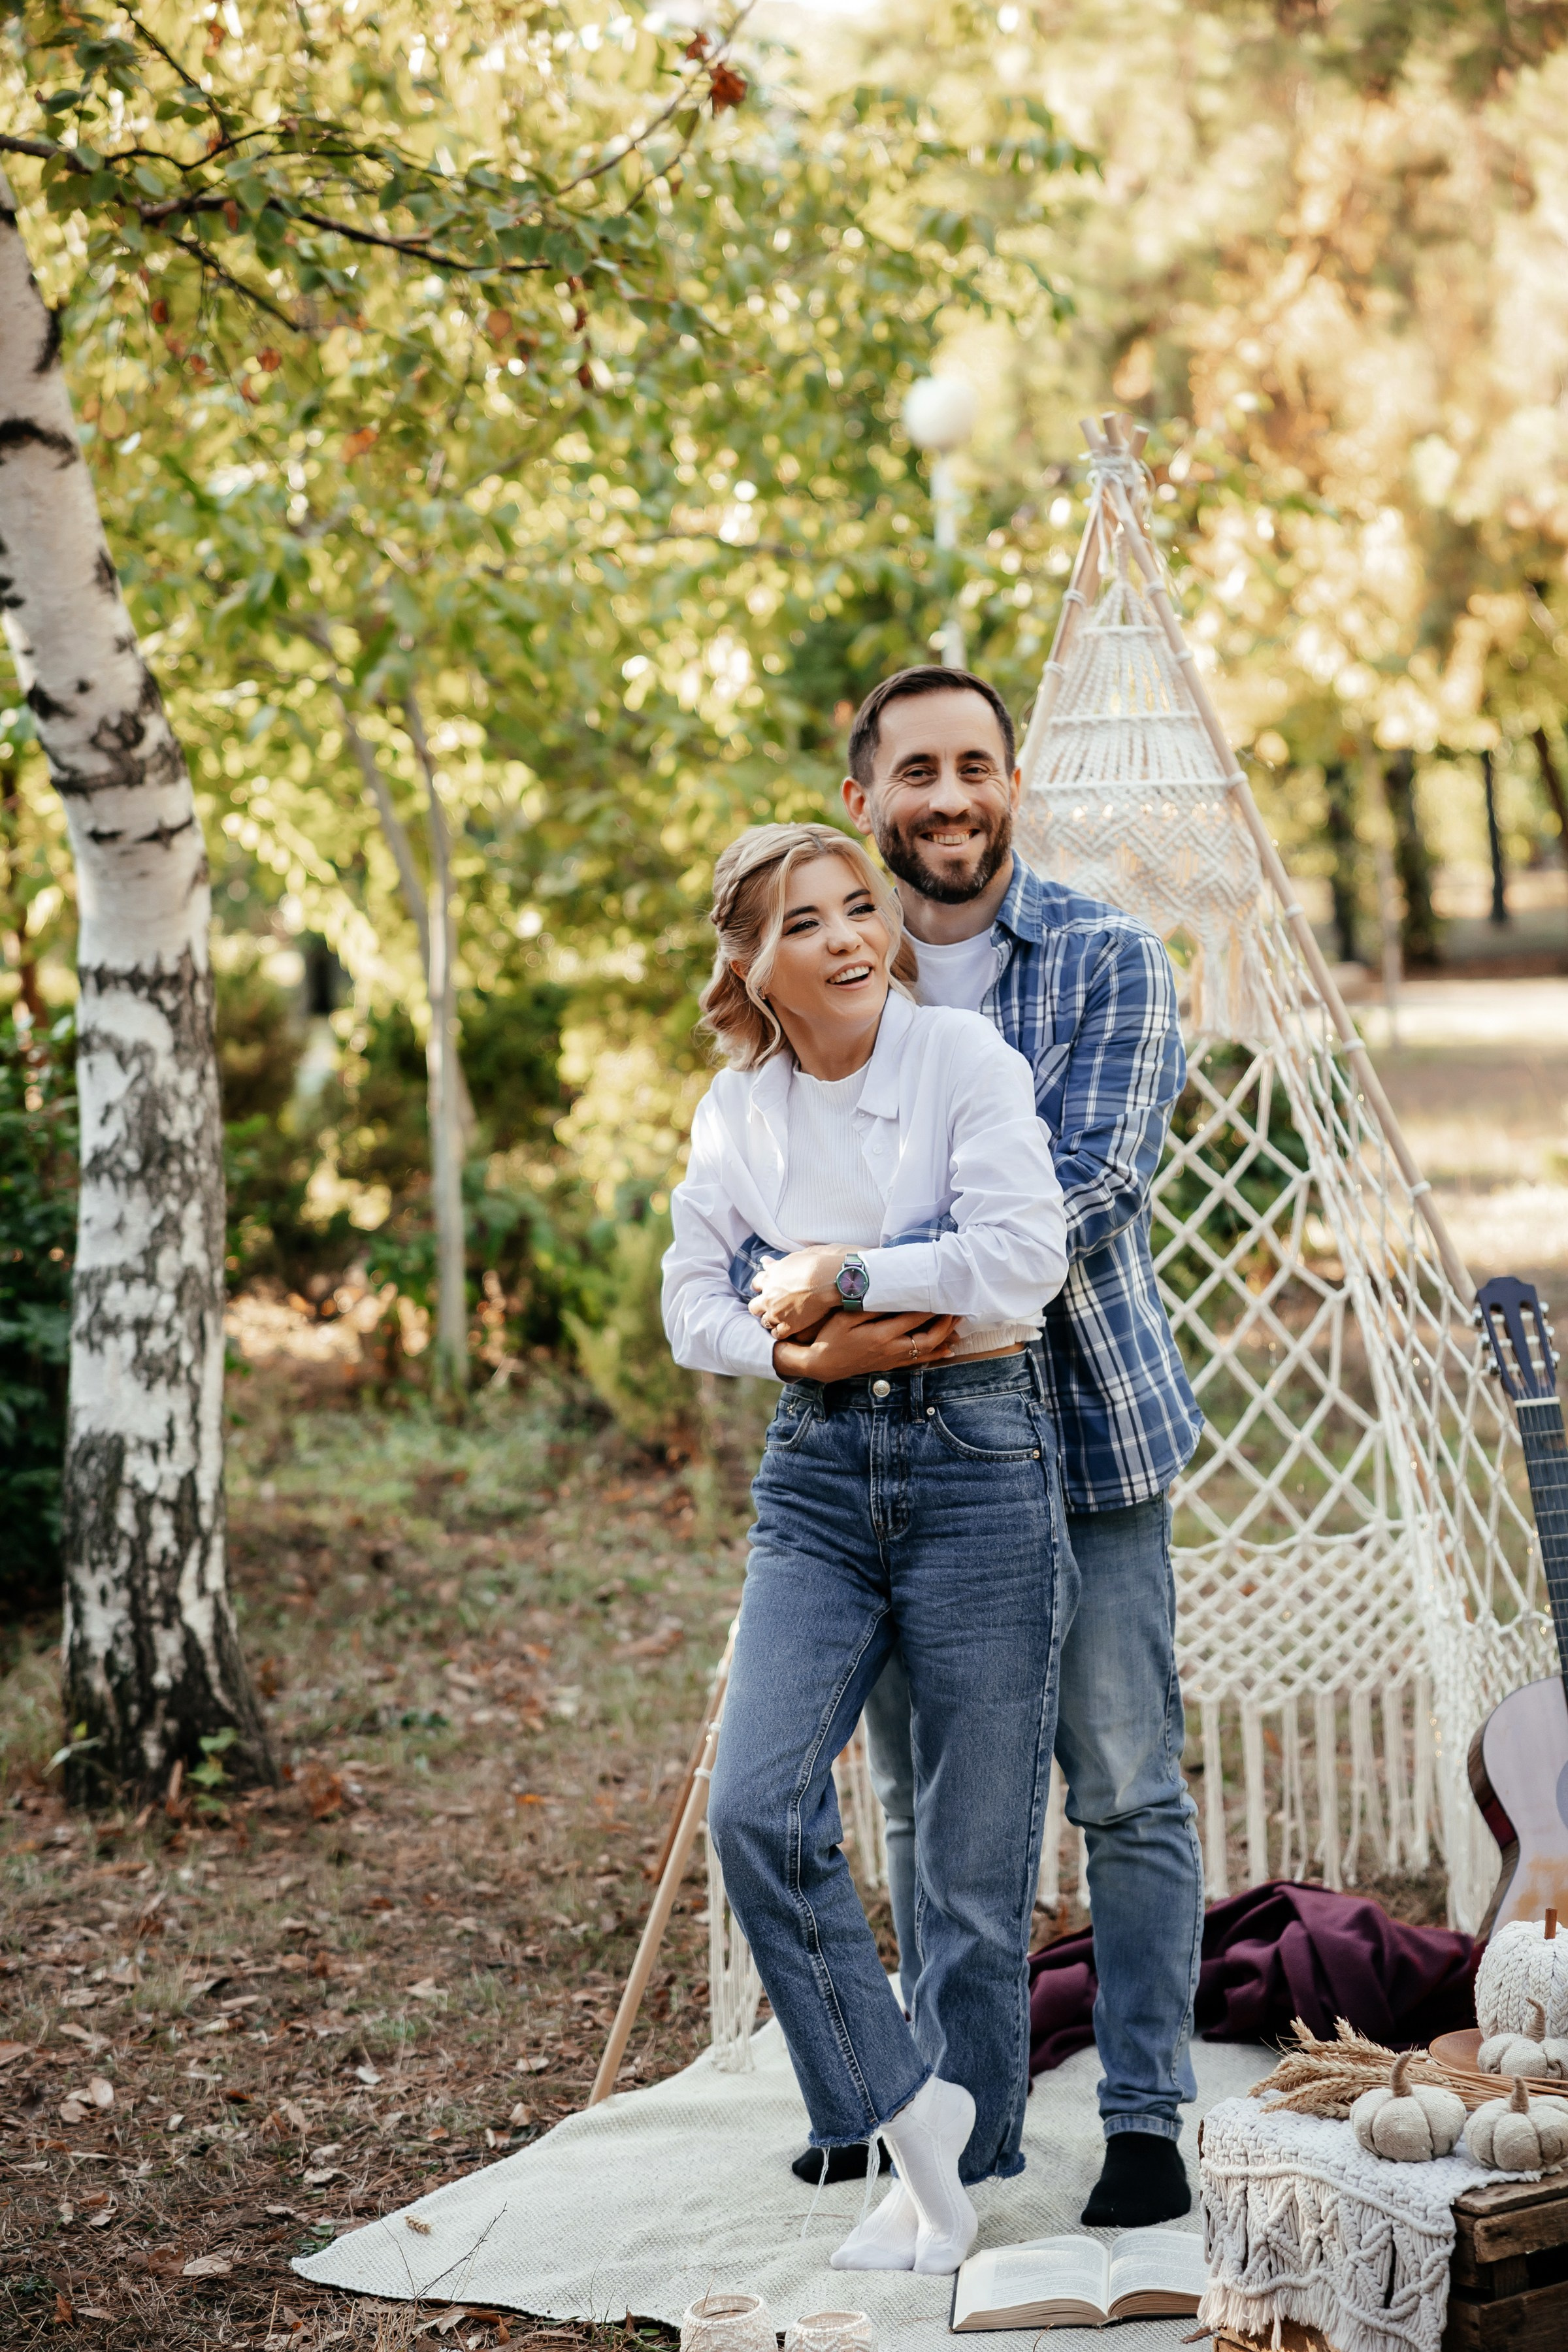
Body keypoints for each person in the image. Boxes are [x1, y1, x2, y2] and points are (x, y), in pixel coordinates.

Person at [662, 821, 1071, 2275]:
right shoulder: (739, 1110)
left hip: (977, 1454)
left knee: (968, 1871)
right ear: (755, 965)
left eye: (858, 908)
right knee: (758, 1813)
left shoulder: (963, 1062)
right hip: (820, 1477)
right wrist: (800, 1365)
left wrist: (841, 1275)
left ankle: (947, 2179)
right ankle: (911, 2122)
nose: (848, 938)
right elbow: (691, 1304)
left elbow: (1026, 1256)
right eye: (805, 922)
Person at [838, 664, 1207, 2232]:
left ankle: (1144, 2114)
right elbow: (781, 1189)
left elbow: (1091, 1190)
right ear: (864, 797)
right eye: (915, 770)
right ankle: (956, 2124)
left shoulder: (1110, 959)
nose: (950, 797)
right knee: (928, 1814)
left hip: (1090, 1440)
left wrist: (873, 1270)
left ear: (1012, 783)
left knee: (1125, 1788)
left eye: (976, 765)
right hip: (905, 1466)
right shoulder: (831, 972)